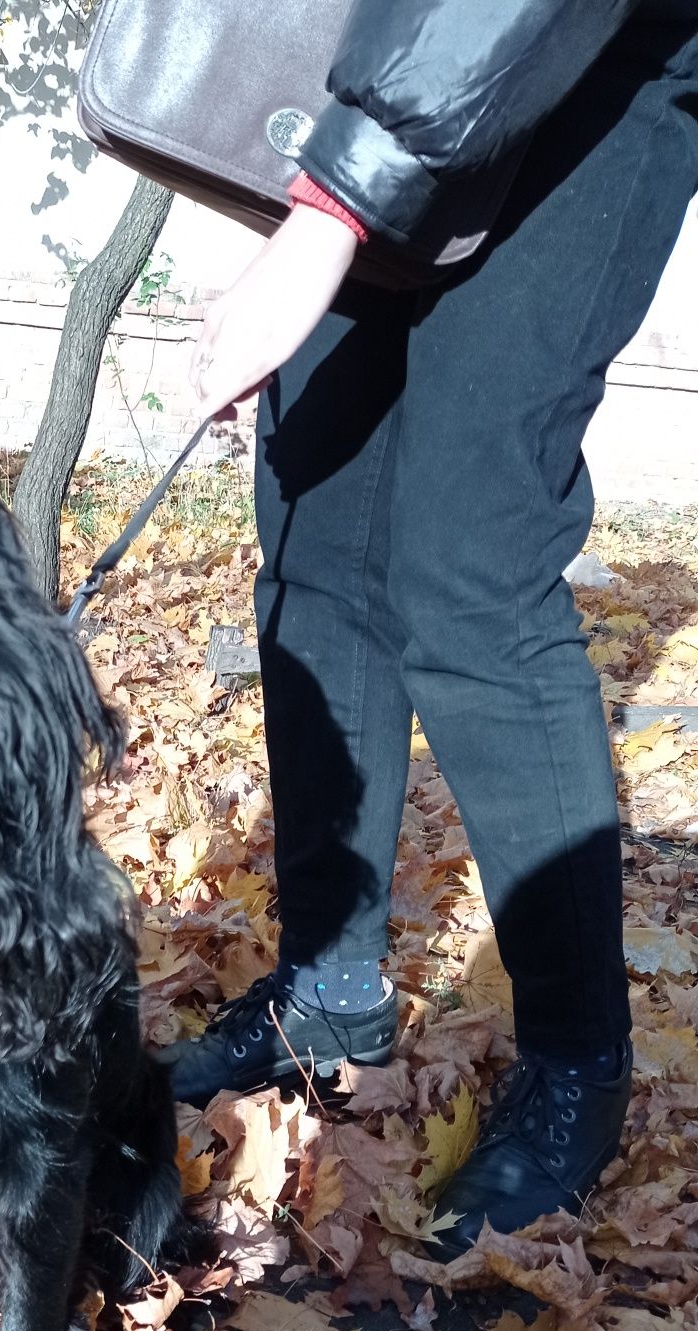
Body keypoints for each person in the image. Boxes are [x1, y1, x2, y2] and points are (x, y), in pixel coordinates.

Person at [159, 0, 698, 1255]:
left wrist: (324, 221)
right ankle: (329, 995)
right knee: (314, 530)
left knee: (468, 562)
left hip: (592, 59)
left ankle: (576, 1056)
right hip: (391, 68)